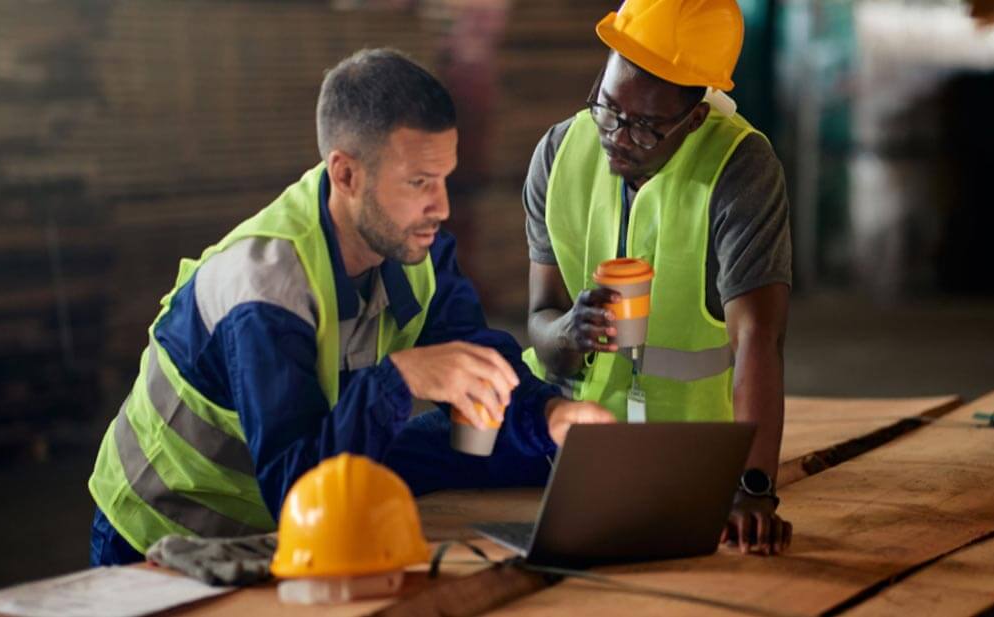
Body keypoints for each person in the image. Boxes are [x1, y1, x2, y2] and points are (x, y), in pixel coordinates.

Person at [87, 48, 612, 566]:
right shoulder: (265, 288)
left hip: (287, 522)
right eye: (418, 183)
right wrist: (399, 378)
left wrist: (551, 415)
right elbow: (298, 493)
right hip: (159, 535)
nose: (442, 207)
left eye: (444, 178)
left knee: (518, 447)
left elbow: (478, 360)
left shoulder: (414, 247)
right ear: (346, 176)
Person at [521, 0, 793, 555]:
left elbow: (756, 339)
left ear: (694, 118)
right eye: (608, 107)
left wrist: (753, 488)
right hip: (563, 441)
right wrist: (569, 333)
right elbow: (540, 321)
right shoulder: (558, 154)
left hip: (683, 457)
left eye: (645, 127)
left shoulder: (740, 169)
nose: (617, 136)